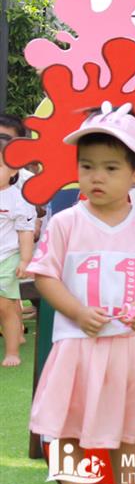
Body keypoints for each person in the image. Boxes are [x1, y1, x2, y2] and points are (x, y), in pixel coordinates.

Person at [26, 105, 135, 484]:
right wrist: (78, 312)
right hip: (78, 345)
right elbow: (44, 276)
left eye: (111, 168)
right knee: (66, 426)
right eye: (87, 166)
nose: (96, 177)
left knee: (128, 427)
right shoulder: (66, 223)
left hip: (129, 346)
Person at [0, 110, 40, 368]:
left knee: (5, 304)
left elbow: (27, 230)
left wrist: (25, 260)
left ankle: (12, 348)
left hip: (7, 256)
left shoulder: (20, 194)